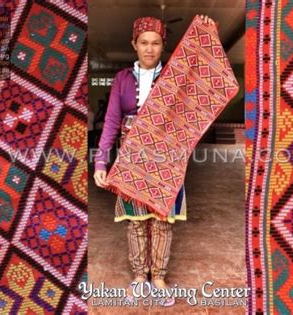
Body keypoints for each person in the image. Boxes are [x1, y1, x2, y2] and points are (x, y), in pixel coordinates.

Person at [93, 15, 215, 306]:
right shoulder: (122, 79)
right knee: (135, 221)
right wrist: (101, 162)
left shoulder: (175, 77)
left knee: (162, 220)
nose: (149, 48)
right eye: (144, 42)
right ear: (133, 44)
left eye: (156, 43)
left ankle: (159, 277)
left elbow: (202, 80)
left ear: (163, 46)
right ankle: (139, 276)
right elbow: (111, 121)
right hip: (132, 159)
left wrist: (207, 32)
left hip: (166, 160)